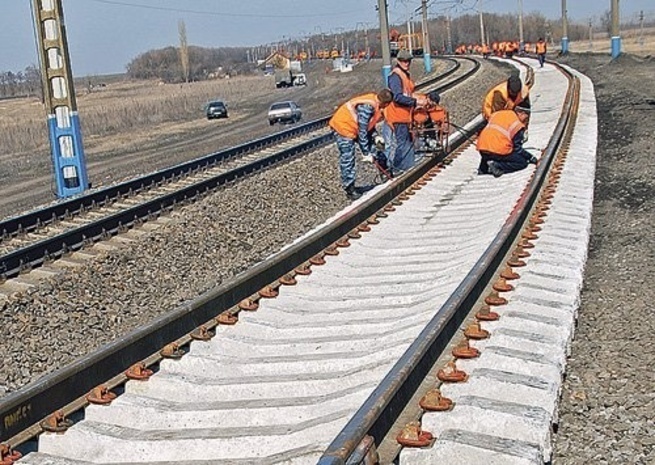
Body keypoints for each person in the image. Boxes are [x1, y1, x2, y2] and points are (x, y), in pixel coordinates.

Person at [328, 88, 393, 200]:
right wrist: (366, 153)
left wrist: (375, 136)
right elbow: (362, 131)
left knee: (376, 149)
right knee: (348, 157)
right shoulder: (367, 107)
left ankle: (385, 174)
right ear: (385, 103)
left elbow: (367, 126)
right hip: (344, 128)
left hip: (355, 128)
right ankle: (349, 189)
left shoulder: (375, 103)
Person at [382, 49, 427, 174]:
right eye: (403, 61)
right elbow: (397, 97)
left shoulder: (404, 75)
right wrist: (415, 102)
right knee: (403, 145)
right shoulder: (395, 76)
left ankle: (406, 169)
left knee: (407, 144)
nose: (406, 63)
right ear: (398, 61)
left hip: (404, 116)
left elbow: (406, 93)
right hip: (397, 116)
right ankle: (396, 170)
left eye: (408, 61)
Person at [476, 103, 538, 177]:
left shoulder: (498, 113)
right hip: (497, 151)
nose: (525, 119)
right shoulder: (517, 125)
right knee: (521, 162)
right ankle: (497, 165)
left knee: (490, 151)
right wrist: (530, 157)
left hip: (482, 148)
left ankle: (483, 168)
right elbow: (517, 149)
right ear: (521, 113)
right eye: (526, 116)